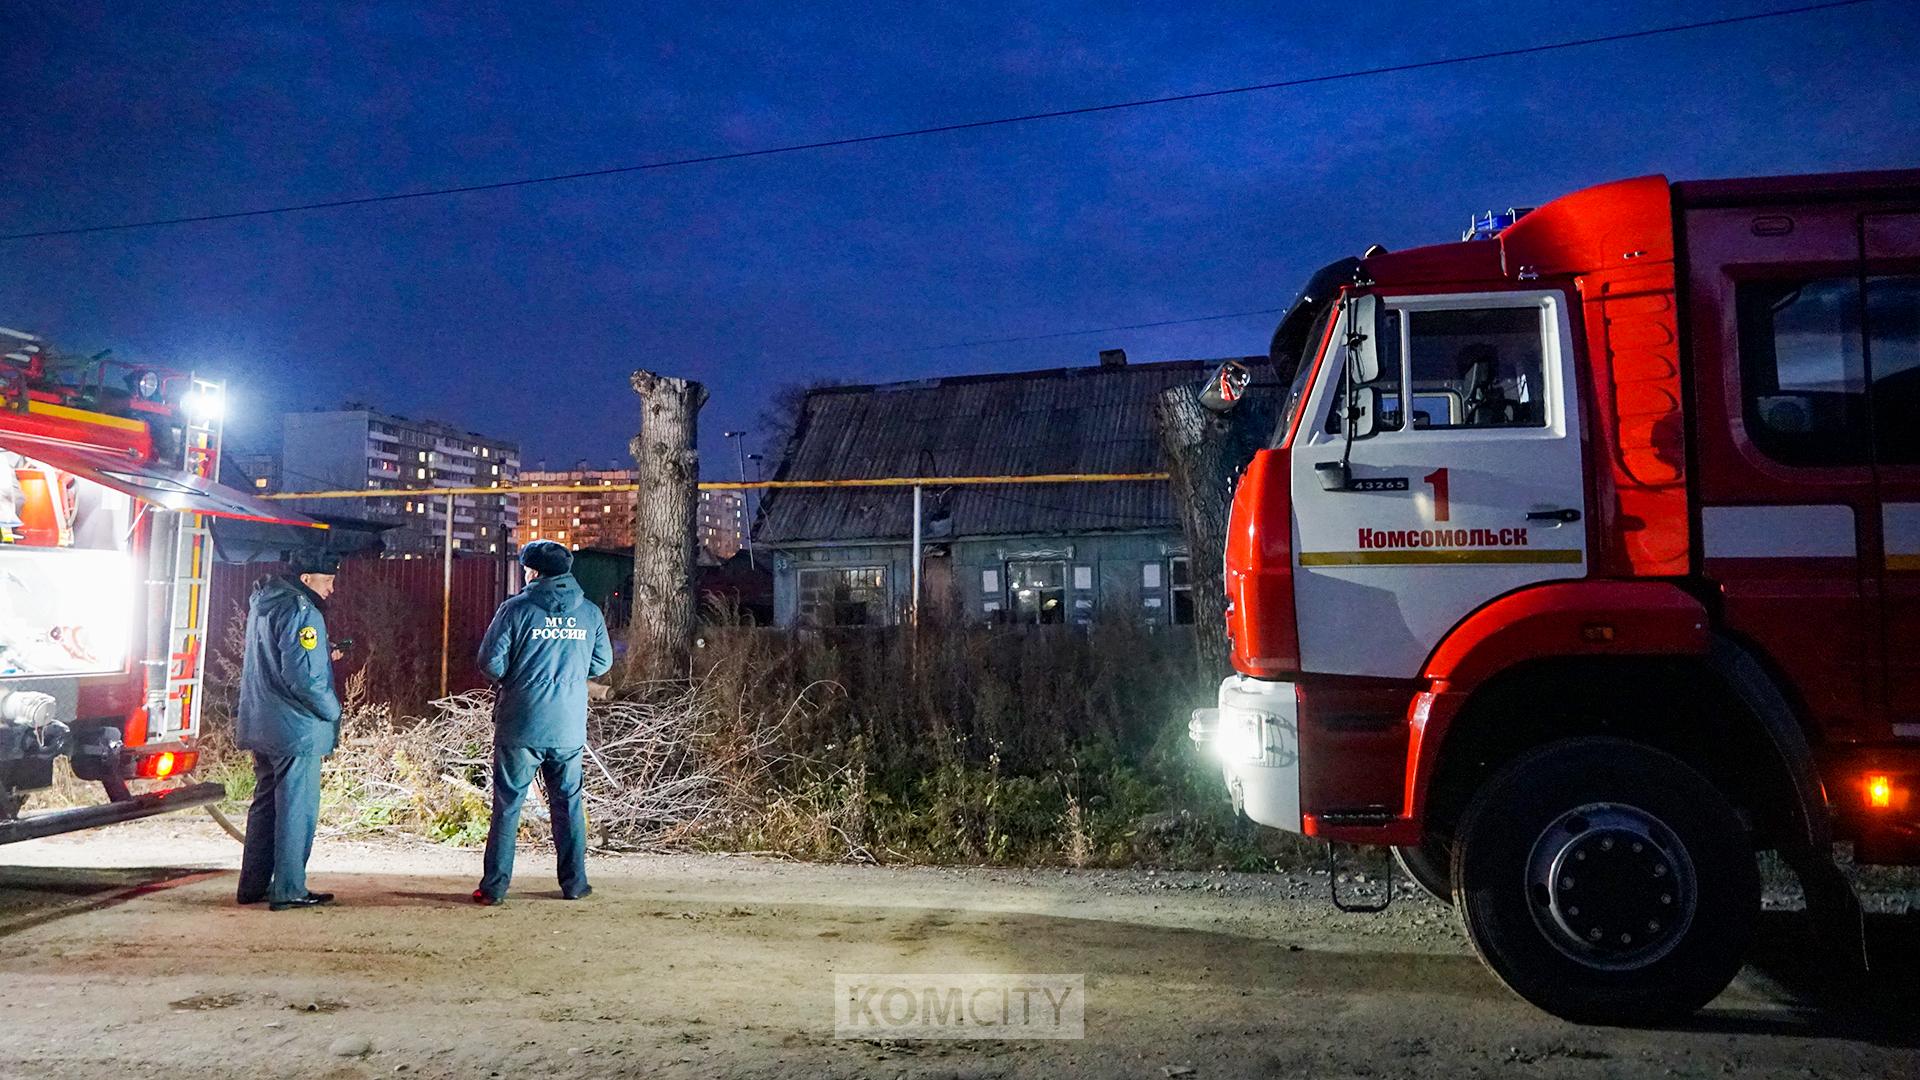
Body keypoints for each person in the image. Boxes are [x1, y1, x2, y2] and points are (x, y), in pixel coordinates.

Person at [473, 540, 613, 905]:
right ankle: (575, 884)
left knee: (508, 805)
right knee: (568, 804)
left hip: (521, 722)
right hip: (567, 725)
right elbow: (601, 665)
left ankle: (495, 888)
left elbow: (491, 663)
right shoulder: (590, 613)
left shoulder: (515, 609)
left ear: (532, 572)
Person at [235, 550, 344, 911]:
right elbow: (305, 680)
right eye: (327, 580)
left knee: (265, 805)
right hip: (295, 729)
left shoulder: (266, 604)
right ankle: (289, 888)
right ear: (307, 579)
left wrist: (320, 654)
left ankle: (253, 885)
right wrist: (333, 711)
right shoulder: (303, 611)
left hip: (262, 721)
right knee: (298, 809)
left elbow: (280, 659)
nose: (332, 588)